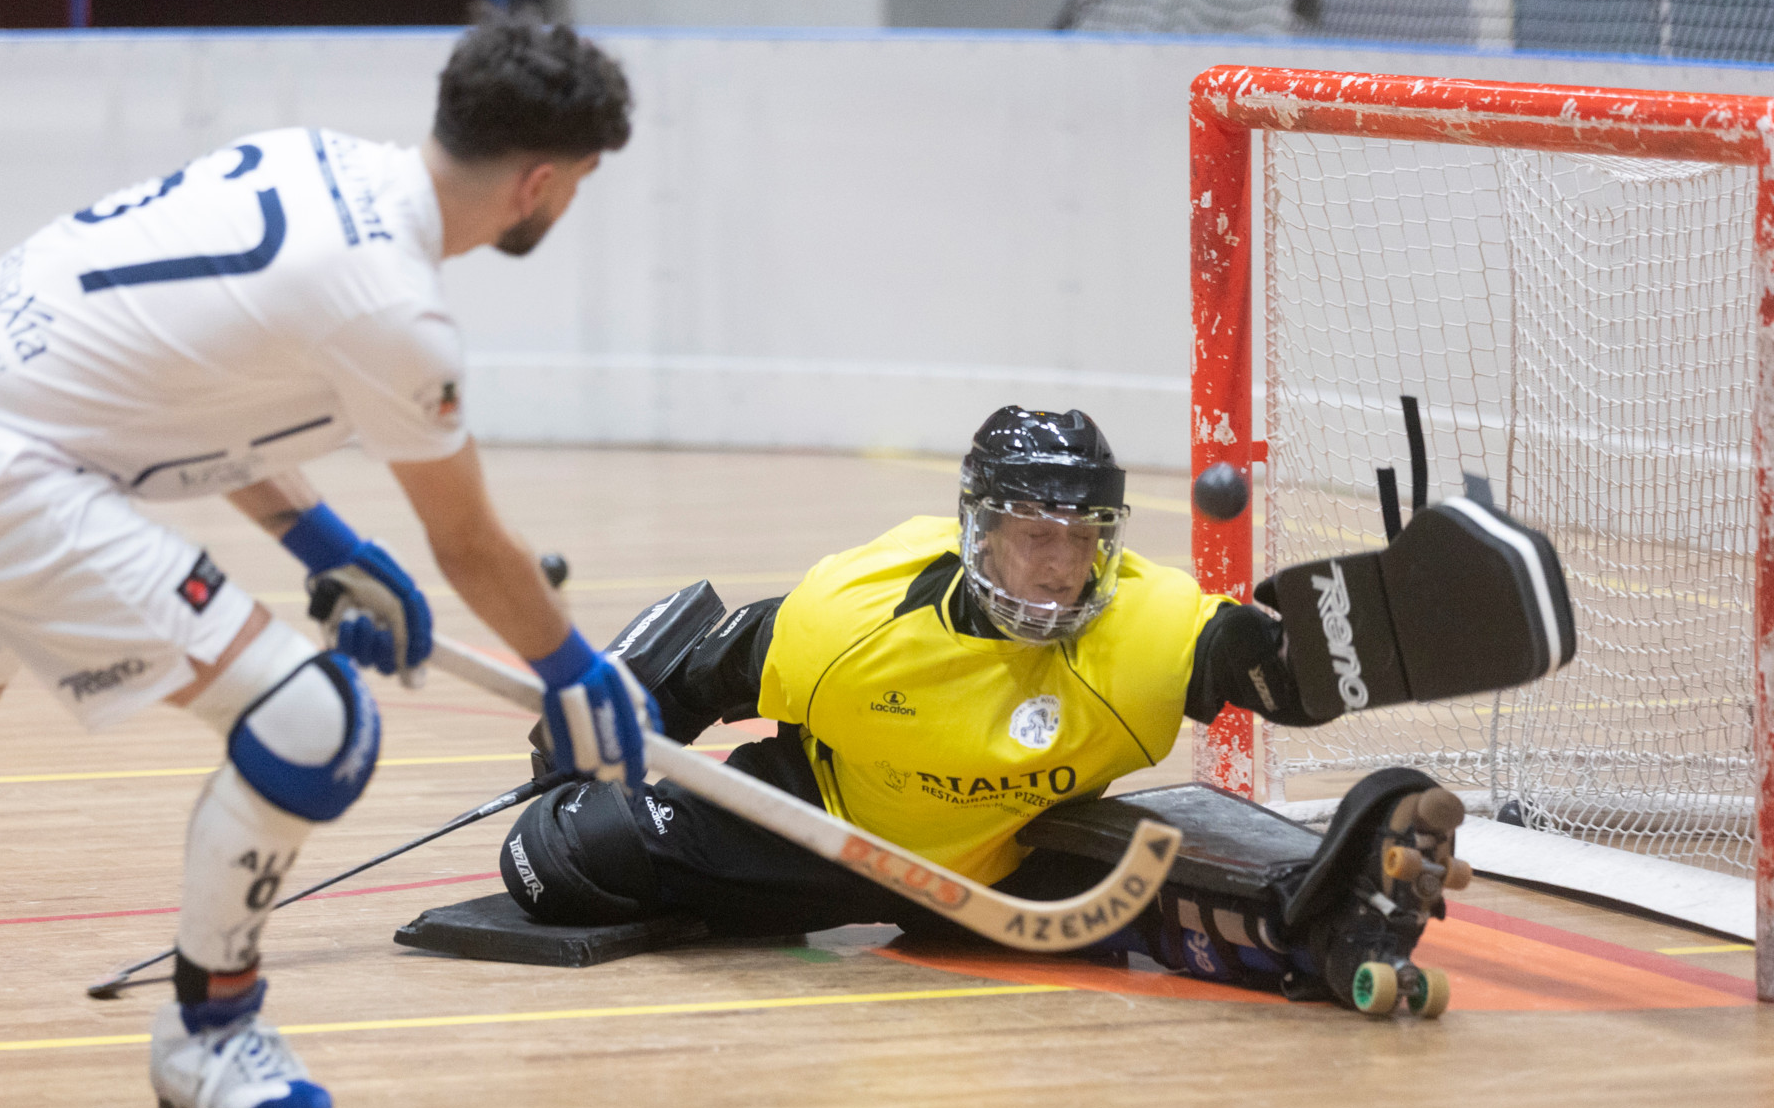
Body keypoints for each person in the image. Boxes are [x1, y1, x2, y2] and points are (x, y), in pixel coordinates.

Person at [0, 10, 655, 1108]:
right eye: (576, 182)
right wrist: (574, 671)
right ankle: (210, 1037)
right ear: (538, 183)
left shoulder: (313, 160)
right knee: (308, 723)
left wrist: (323, 541)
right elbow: (469, 542)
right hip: (4, 476)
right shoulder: (394, 308)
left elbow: (196, 391)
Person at [496, 405, 1476, 1014]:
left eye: (1081, 539)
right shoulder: (849, 615)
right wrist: (591, 735)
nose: (1058, 569)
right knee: (553, 859)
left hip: (1012, 872)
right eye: (1029, 536)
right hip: (819, 836)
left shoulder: (1146, 620)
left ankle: (1336, 913)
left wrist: (1371, 627)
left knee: (1205, 902)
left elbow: (1270, 674)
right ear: (975, 530)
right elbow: (699, 675)